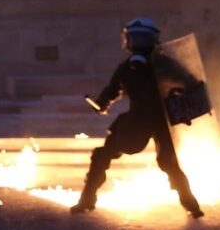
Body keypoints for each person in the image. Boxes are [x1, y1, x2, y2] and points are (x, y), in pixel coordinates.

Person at [71, 18, 204, 218]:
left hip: (143, 119)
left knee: (103, 155)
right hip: (161, 120)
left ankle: (87, 200)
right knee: (169, 163)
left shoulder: (135, 66)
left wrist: (103, 104)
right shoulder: (164, 64)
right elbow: (191, 83)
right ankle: (192, 206)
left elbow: (111, 92)